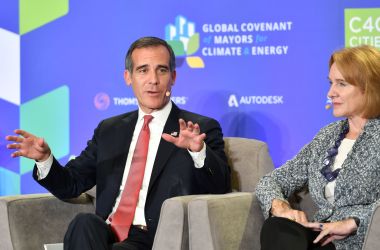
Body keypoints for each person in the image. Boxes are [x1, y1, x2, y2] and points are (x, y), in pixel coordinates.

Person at [6, 36, 231, 250]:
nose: (153, 79)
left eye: (161, 70)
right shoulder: (110, 130)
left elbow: (219, 187)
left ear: (173, 77)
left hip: (153, 237)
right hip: (105, 232)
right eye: (143, 70)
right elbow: (71, 184)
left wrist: (198, 151)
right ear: (128, 77)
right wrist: (45, 159)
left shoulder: (198, 129)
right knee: (83, 224)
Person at [256, 45, 380, 250]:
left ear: (369, 87)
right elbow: (271, 180)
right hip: (318, 235)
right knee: (277, 227)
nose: (331, 93)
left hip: (358, 240)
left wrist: (354, 222)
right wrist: (280, 206)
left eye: (341, 84)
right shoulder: (327, 136)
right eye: (331, 83)